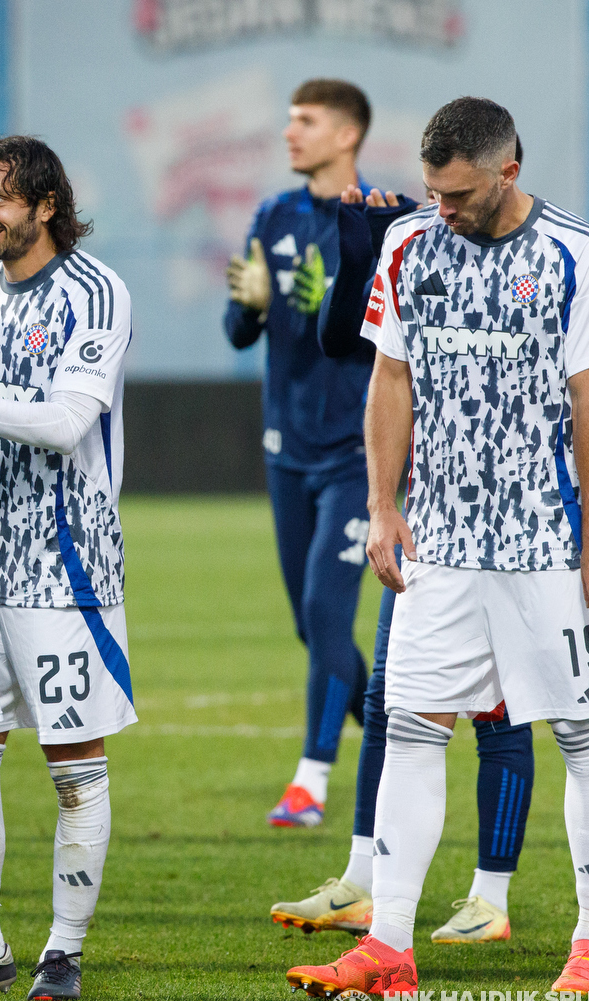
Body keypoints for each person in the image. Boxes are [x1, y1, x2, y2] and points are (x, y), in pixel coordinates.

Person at [289, 96, 589, 997]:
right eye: (433, 191)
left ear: (508, 173)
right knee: (410, 729)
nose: (440, 208)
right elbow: (391, 378)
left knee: (583, 735)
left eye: (459, 194)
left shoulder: (577, 252)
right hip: (440, 544)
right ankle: (389, 948)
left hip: (547, 545)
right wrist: (382, 503)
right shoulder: (408, 245)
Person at [270, 167, 537, 945]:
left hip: (510, 525)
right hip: (426, 520)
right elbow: (344, 346)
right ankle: (365, 879)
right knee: (393, 697)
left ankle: (491, 894)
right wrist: (360, 252)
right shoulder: (411, 241)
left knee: (499, 706)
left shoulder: (538, 258)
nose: (294, 134)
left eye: (309, 121)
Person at [0, 136, 134, 1001]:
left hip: (65, 567)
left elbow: (61, 424)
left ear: (45, 204)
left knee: (73, 763)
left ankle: (65, 951)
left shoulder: (96, 291)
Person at [224, 79, 377, 829]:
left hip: (357, 453)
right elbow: (238, 331)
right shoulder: (273, 215)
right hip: (286, 448)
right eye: (288, 120)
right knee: (308, 625)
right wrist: (250, 300)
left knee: (324, 611)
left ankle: (310, 783)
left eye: (305, 122)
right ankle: (390, 727)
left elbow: (372, 339)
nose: (290, 134)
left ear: (346, 135)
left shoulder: (379, 222)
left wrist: (331, 304)